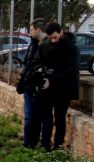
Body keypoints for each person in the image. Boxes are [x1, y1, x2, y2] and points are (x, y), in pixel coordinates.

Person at [33, 22, 80, 150]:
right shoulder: (43, 46)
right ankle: (45, 144)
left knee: (60, 117)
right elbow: (38, 63)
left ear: (61, 33)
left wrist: (51, 78)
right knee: (46, 116)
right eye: (50, 38)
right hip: (47, 88)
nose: (53, 41)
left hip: (64, 89)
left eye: (55, 37)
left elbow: (69, 69)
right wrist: (40, 72)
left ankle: (58, 145)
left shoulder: (71, 48)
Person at [17, 18, 47, 148]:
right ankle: (27, 143)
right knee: (29, 115)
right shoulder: (33, 44)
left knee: (38, 116)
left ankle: (37, 142)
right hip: (29, 83)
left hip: (39, 85)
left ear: (38, 29)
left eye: (31, 29)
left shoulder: (46, 46)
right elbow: (27, 62)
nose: (30, 33)